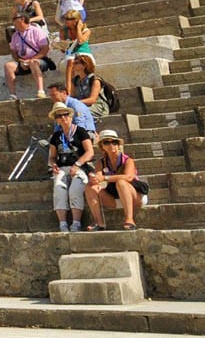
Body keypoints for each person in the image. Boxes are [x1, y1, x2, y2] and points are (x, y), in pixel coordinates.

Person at [84, 130, 148, 230]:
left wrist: (105, 178)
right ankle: (99, 222)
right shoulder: (101, 163)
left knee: (121, 182)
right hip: (115, 199)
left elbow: (129, 177)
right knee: (89, 187)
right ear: (102, 146)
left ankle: (129, 220)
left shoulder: (128, 160)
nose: (111, 145)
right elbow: (97, 178)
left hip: (134, 197)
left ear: (118, 145)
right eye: (107, 142)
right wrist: (94, 178)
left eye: (114, 142)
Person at [46, 104, 95, 232]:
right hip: (62, 168)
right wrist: (53, 165)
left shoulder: (80, 131)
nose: (63, 118)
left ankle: (76, 223)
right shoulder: (56, 136)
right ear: (56, 119)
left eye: (65, 114)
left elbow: (90, 152)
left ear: (70, 116)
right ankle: (62, 223)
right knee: (58, 189)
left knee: (75, 189)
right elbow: (52, 157)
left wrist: (77, 165)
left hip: (79, 167)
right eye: (59, 116)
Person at [6, 13, 53, 99]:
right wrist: (20, 60)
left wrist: (32, 59)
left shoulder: (36, 31)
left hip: (38, 60)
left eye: (15, 19)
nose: (13, 22)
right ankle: (12, 94)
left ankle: (41, 91)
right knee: (8, 66)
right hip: (23, 61)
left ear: (22, 19)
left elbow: (45, 48)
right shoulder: (15, 35)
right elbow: (13, 51)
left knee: (33, 63)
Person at [60, 52, 106, 132]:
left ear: (84, 65)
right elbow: (72, 97)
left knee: (78, 114)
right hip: (80, 106)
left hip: (97, 107)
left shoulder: (95, 80)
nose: (73, 64)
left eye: (76, 63)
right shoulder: (75, 80)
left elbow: (92, 99)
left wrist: (76, 104)